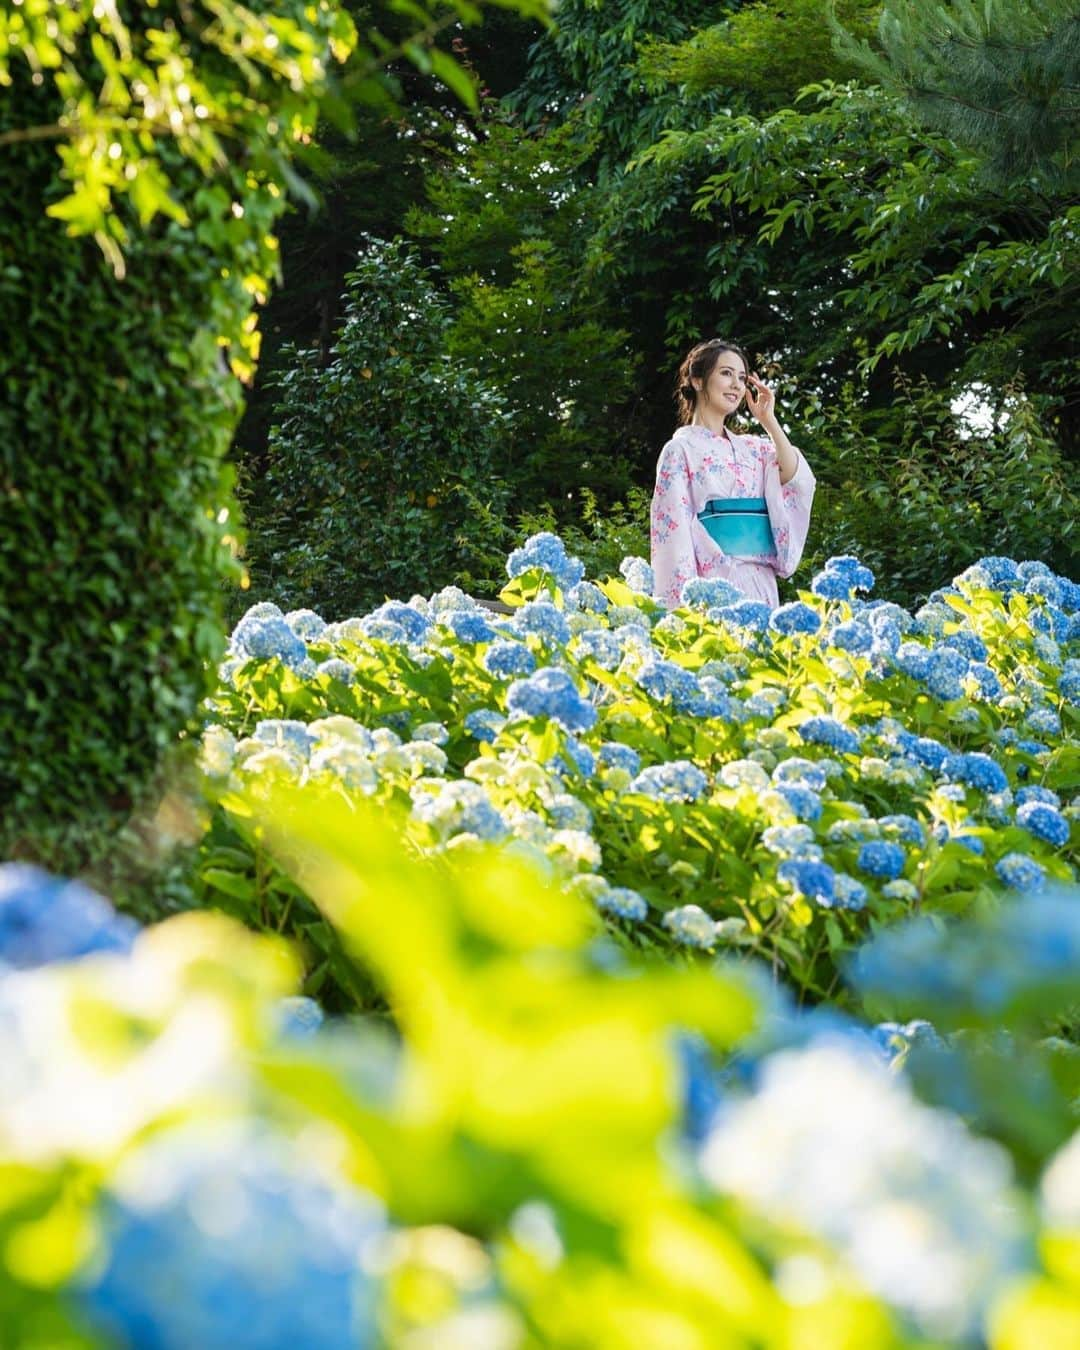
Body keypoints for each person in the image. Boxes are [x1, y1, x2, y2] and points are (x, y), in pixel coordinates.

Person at [650, 338, 815, 609]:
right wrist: (683, 606)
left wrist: (768, 421)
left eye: (741, 377)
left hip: (760, 582)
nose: (737, 385)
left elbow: (796, 478)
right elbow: (673, 535)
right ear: (697, 380)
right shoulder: (680, 450)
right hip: (711, 586)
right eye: (726, 373)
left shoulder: (755, 448)